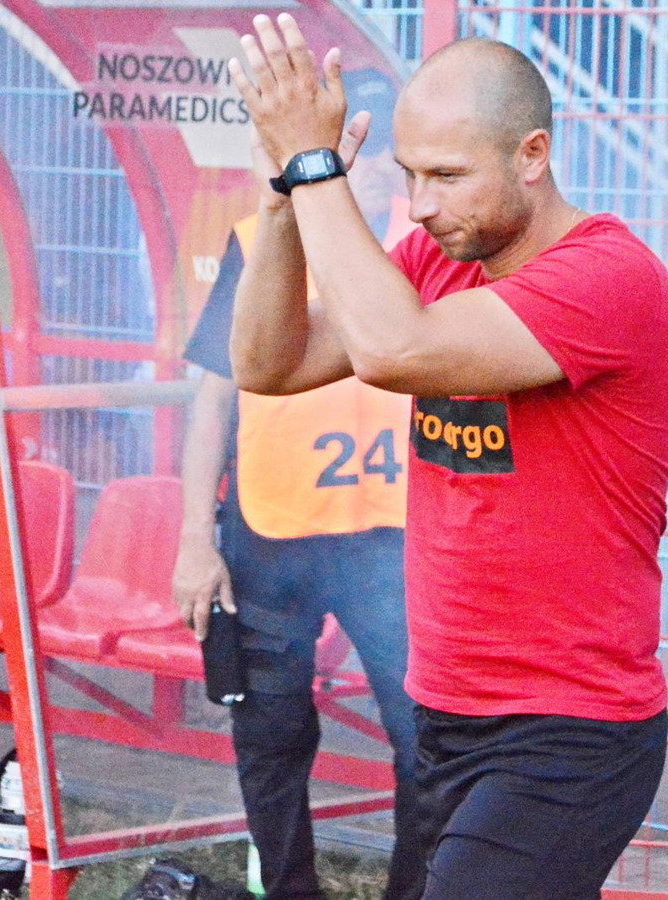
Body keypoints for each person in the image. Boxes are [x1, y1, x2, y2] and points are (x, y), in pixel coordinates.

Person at [224, 17, 668, 898]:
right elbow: (266, 365)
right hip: (445, 710)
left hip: (567, 731)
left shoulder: (609, 277)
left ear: (532, 155)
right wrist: (283, 197)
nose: (423, 204)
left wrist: (318, 170)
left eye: (447, 176)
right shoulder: (440, 261)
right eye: (408, 175)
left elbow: (395, 349)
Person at [170, 68, 424, 900]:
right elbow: (212, 400)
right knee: (271, 740)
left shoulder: (425, 242)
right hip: (271, 533)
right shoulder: (260, 237)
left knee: (427, 740)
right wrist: (194, 541)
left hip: (391, 535)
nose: (372, 171)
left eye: (384, 154)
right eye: (356, 150)